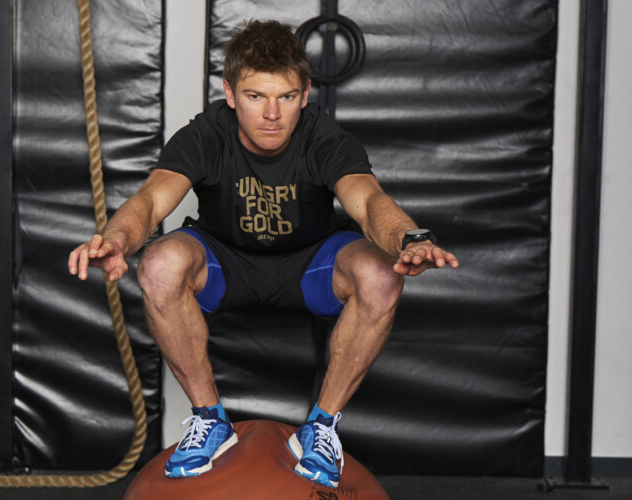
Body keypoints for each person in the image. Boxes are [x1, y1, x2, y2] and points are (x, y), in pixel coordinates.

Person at [69, 19, 458, 488]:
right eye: (256, 96)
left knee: (380, 272)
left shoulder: (323, 138)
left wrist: (409, 239)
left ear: (305, 95)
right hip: (225, 262)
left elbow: (368, 201)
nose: (272, 114)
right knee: (159, 263)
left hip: (309, 264)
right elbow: (152, 200)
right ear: (230, 94)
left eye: (286, 97)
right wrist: (116, 239)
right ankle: (210, 420)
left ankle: (321, 427)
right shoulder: (207, 135)